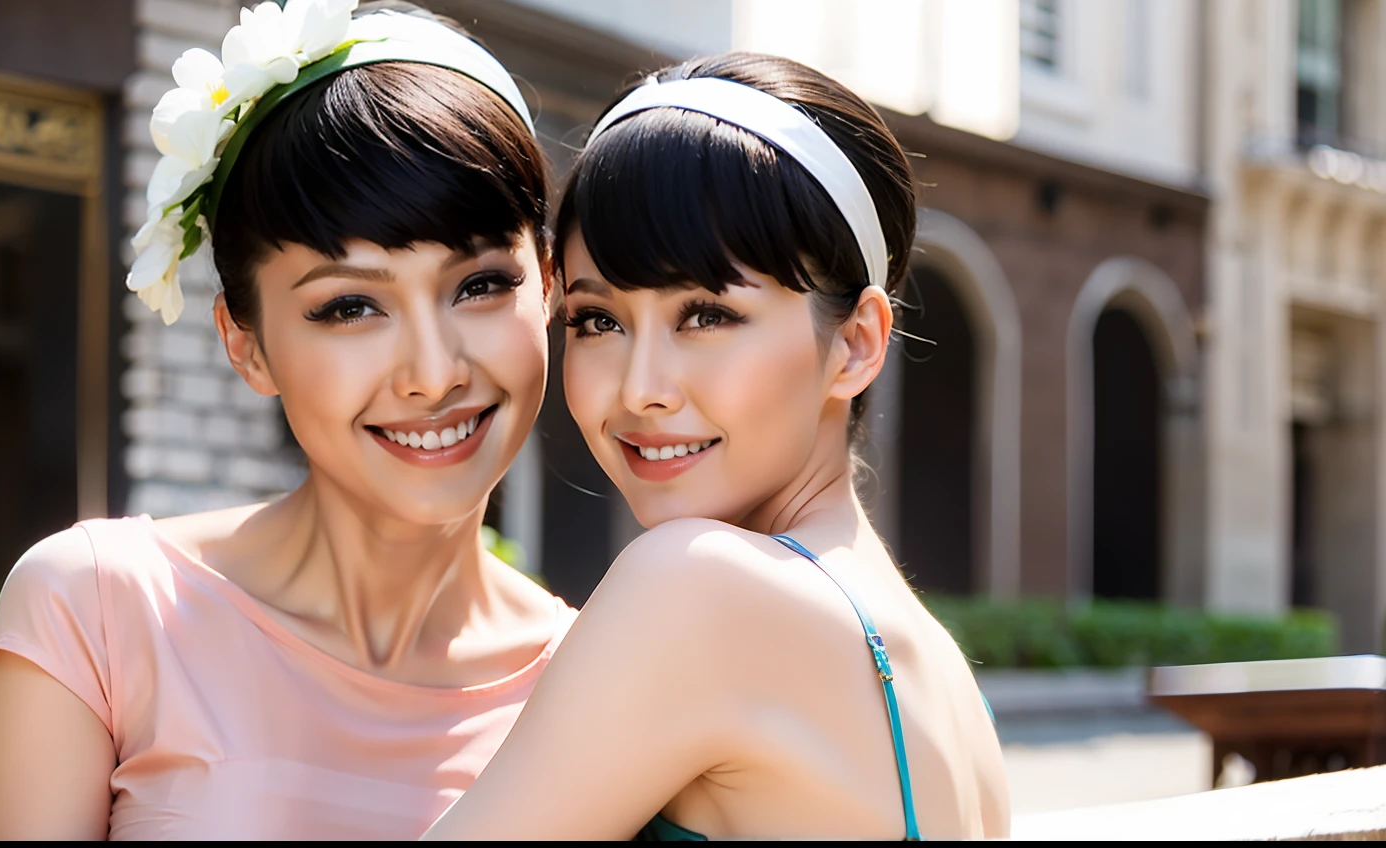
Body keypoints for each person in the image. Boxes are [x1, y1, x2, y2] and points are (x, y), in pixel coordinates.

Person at [0, 2, 571, 839]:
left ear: (548, 287)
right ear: (245, 346)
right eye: (352, 306)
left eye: (479, 286)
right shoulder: (100, 609)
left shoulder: (597, 680)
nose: (434, 375)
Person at [424, 53, 1010, 840]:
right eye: (598, 320)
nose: (640, 389)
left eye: (706, 315)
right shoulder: (940, 674)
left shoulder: (693, 588)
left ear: (856, 344)